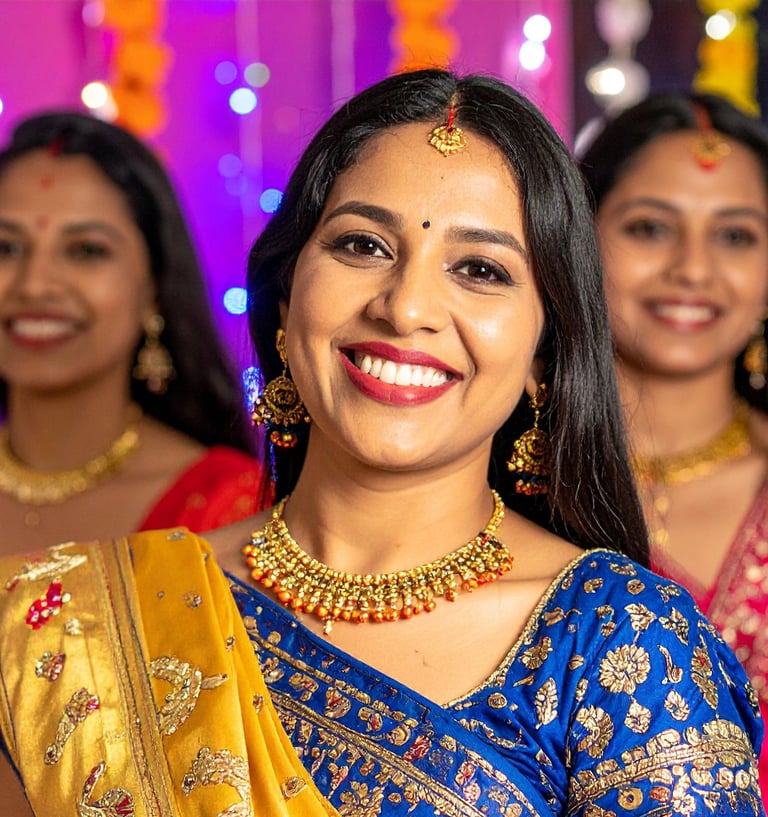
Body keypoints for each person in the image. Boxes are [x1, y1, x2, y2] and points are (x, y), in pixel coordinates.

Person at [0, 70, 763, 816]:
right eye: (363, 245)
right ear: (286, 297)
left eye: (480, 268)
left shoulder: (621, 642)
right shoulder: (76, 624)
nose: (405, 308)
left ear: (544, 354)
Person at [579, 91, 768, 797]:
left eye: (735, 236)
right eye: (651, 228)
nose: (693, 269)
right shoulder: (504, 482)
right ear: (578, 238)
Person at [0, 111, 269, 555]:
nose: (34, 285)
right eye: (7, 248)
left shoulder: (231, 510)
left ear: (155, 290)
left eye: (86, 251)